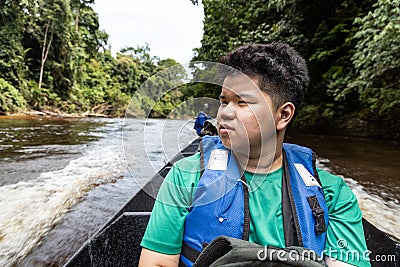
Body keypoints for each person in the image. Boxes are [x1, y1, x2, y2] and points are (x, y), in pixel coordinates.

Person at [139, 43, 370, 267]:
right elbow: (158, 262)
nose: (225, 113)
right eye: (224, 101)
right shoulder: (185, 176)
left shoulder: (333, 193)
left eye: (242, 102)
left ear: (283, 115)